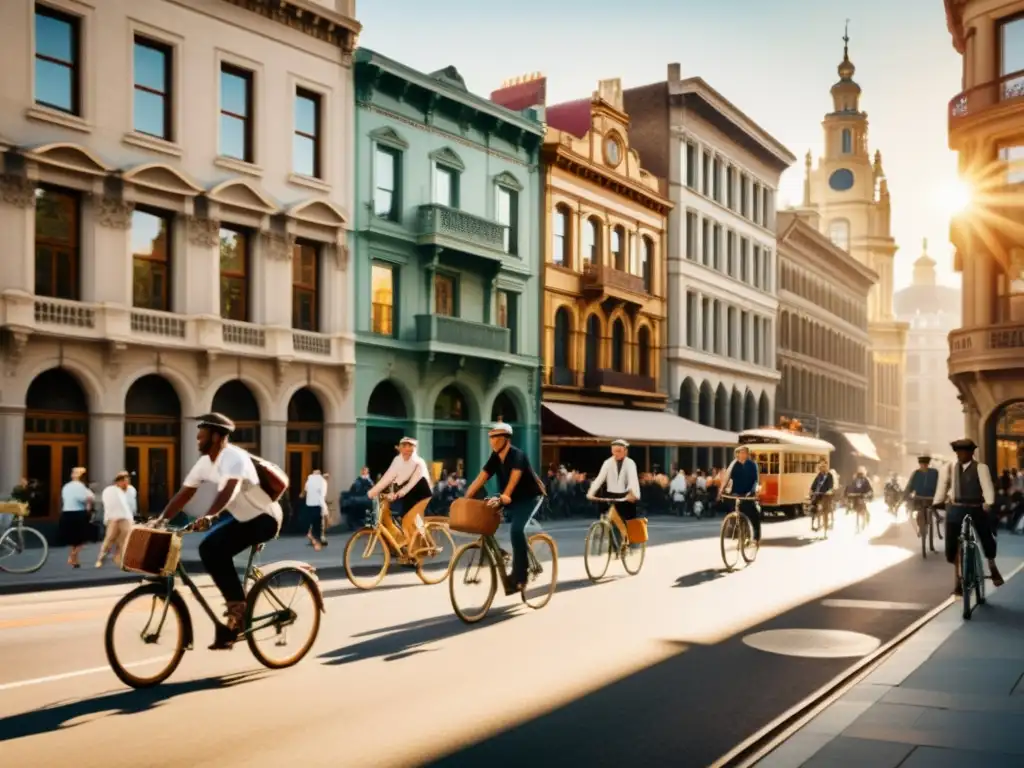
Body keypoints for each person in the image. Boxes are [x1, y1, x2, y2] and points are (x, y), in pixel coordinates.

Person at [153, 413, 283, 650]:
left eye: (201, 435)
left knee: (213, 549)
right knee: (209, 548)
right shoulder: (205, 462)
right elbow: (185, 493)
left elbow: (229, 491)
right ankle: (236, 611)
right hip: (243, 519)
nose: (197, 440)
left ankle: (238, 614)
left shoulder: (234, 457)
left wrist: (211, 516)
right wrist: (162, 519)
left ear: (215, 436)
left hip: (265, 519)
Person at [464, 423, 544, 592]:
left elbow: (514, 480)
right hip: (507, 499)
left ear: (507, 439)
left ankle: (521, 576)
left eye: (496, 437)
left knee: (516, 531)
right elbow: (481, 478)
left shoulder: (518, 455)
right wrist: (465, 497)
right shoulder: (495, 457)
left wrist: (504, 496)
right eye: (491, 437)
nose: (492, 441)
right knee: (484, 521)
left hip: (528, 498)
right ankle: (501, 553)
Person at [933, 438, 1004, 593]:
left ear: (971, 453)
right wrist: (937, 501)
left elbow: (987, 486)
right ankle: (958, 579)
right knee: (952, 542)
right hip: (956, 508)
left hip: (976, 507)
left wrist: (989, 502)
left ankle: (992, 565)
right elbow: (942, 485)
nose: (960, 455)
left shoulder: (981, 468)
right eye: (958, 452)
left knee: (985, 535)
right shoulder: (950, 468)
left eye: (964, 451)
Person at [367, 437, 432, 556]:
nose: (407, 449)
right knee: (391, 515)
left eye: (410, 446)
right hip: (407, 494)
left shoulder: (419, 463)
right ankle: (403, 545)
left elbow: (411, 484)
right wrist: (373, 492)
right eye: (404, 446)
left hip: (421, 493)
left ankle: (420, 551)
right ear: (400, 448)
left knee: (408, 522)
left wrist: (397, 494)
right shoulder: (397, 460)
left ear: (415, 448)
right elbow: (388, 477)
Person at [587, 439, 641, 550]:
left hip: (627, 494)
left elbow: (632, 479)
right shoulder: (608, 463)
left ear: (625, 451)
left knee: (629, 519)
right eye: (614, 451)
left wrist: (631, 492)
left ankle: (633, 543)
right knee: (612, 520)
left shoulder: (630, 463)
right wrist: (591, 492)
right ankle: (616, 547)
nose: (616, 454)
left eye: (619, 451)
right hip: (612, 494)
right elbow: (599, 479)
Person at [97, 471, 134, 568]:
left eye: (127, 481)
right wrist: (111, 518)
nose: (126, 483)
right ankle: (101, 559)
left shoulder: (131, 490)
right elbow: (108, 505)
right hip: (114, 519)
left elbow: (132, 505)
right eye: (123, 481)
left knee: (125, 541)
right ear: (117, 482)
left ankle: (120, 560)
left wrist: (132, 517)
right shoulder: (109, 490)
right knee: (109, 539)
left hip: (126, 518)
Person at [724, 446, 761, 544]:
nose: (741, 455)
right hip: (736, 493)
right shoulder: (733, 465)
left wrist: (753, 492)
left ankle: (756, 536)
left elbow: (756, 480)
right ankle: (734, 530)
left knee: (753, 513)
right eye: (739, 453)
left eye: (744, 453)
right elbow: (726, 478)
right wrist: (722, 490)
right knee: (732, 509)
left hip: (748, 493)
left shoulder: (752, 465)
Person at [59, 467, 95, 568]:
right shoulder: (80, 487)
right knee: (83, 538)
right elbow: (85, 498)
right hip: (78, 514)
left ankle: (75, 560)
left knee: (74, 539)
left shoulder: (66, 486)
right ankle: (72, 556)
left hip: (66, 513)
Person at [904, 455, 940, 548]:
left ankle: (937, 517)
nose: (923, 466)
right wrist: (906, 495)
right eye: (922, 464)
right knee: (918, 513)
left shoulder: (934, 473)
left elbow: (940, 484)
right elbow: (910, 486)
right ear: (919, 464)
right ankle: (921, 527)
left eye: (925, 464)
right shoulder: (916, 473)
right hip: (919, 498)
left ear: (928, 464)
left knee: (933, 508)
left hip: (931, 498)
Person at [303, 469, 328, 551]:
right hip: (318, 504)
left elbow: (305, 491)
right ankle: (320, 538)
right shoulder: (322, 481)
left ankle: (313, 537)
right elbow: (323, 494)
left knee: (313, 522)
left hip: (309, 504)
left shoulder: (309, 481)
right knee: (320, 522)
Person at [809, 459, 835, 526]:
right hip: (818, 494)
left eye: (824, 466)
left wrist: (829, 491)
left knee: (826, 508)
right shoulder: (819, 475)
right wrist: (811, 490)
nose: (822, 468)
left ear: (826, 466)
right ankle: (813, 517)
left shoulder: (829, 475)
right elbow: (814, 484)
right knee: (813, 504)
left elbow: (831, 485)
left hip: (826, 495)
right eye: (821, 466)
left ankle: (826, 522)